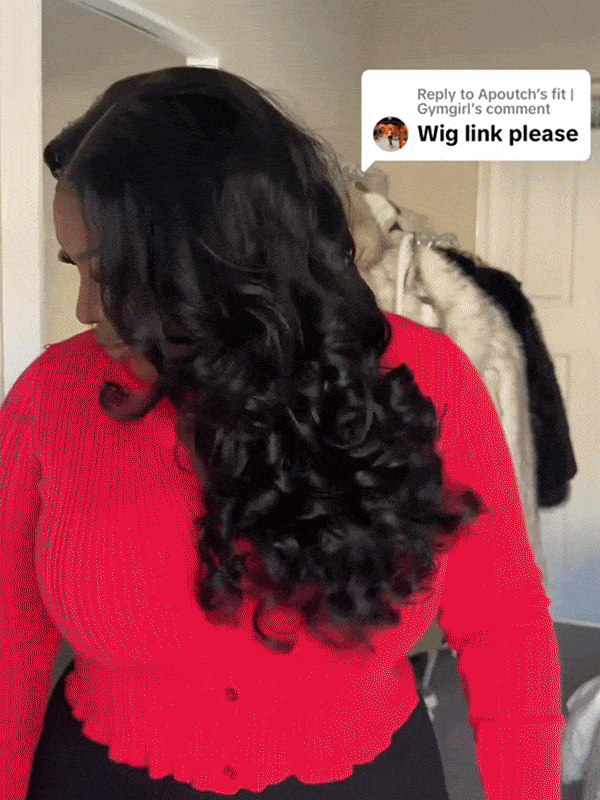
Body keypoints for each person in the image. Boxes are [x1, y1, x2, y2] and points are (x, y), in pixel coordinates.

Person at [0, 67, 564, 800]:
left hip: (367, 780)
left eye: (112, 273)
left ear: (220, 256)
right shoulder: (52, 396)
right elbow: (11, 631)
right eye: (75, 267)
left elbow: (503, 621)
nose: (84, 309)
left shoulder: (423, 379)